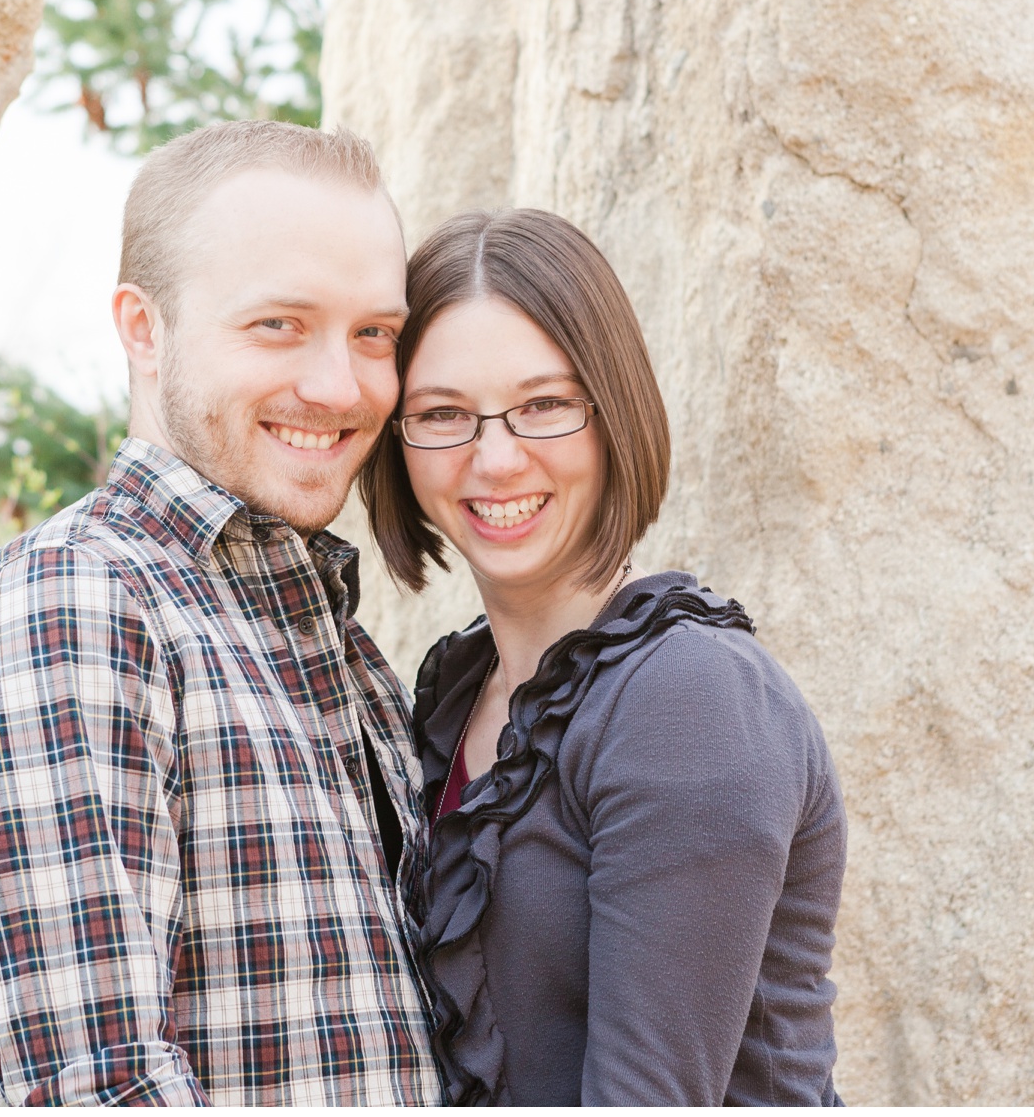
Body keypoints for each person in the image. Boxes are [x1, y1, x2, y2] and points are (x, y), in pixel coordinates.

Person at [0, 121, 444, 1105]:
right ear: (142, 328)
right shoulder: (76, 603)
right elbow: (99, 1087)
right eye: (278, 323)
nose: (340, 384)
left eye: (374, 332)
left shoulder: (334, 646)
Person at [359, 208, 847, 1106]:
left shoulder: (686, 697)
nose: (494, 457)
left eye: (543, 405)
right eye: (442, 413)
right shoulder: (455, 690)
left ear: (611, 408)